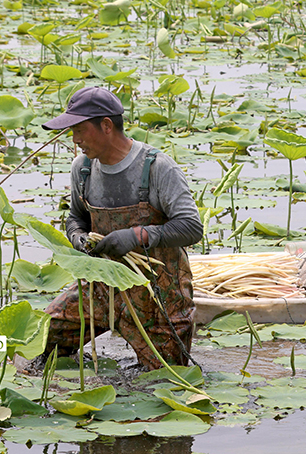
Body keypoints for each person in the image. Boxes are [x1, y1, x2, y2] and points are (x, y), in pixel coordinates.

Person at [32, 86, 202, 371]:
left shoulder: (157, 167)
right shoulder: (82, 169)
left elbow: (191, 227)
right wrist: (77, 235)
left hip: (156, 297)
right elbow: (76, 217)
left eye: (79, 130)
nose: (75, 140)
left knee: (166, 375)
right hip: (100, 288)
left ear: (107, 126)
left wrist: (137, 236)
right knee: (42, 339)